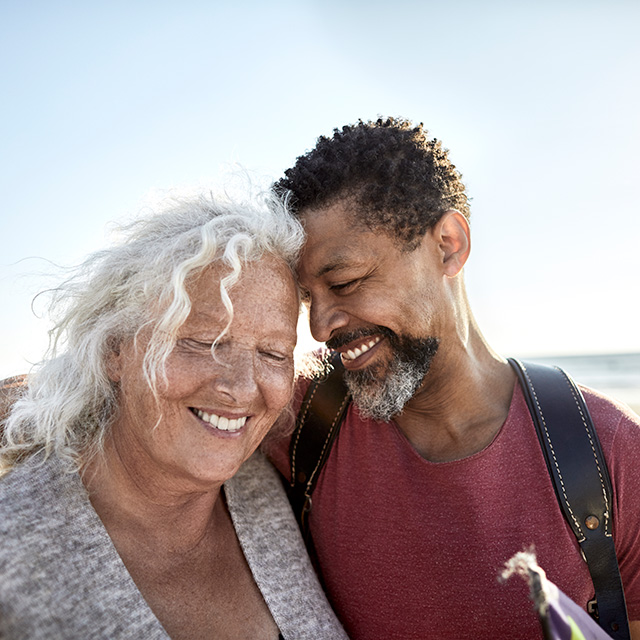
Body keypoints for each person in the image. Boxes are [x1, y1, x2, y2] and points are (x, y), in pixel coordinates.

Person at [267, 117, 640, 639]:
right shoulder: (296, 416)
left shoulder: (609, 451)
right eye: (308, 297)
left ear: (448, 244)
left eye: (345, 282)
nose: (319, 325)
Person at [0, 191, 348, 640]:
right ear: (114, 350)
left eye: (273, 353)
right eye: (203, 342)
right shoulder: (14, 548)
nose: (242, 388)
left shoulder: (268, 483)